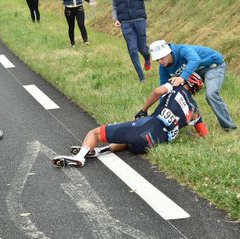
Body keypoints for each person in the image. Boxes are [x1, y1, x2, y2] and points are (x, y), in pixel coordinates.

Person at [52, 73, 208, 167]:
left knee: (94, 133)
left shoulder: (176, 85)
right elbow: (204, 134)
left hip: (148, 125)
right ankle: (100, 150)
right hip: (155, 142)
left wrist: (144, 109)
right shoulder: (195, 109)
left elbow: (158, 91)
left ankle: (79, 158)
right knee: (131, 139)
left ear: (185, 81)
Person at [149, 40, 237, 131]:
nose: (160, 61)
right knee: (178, 94)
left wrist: (182, 77)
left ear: (168, 52)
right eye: (157, 60)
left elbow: (195, 60)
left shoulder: (182, 50)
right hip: (195, 72)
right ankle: (192, 123)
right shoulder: (163, 68)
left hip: (213, 66)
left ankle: (229, 127)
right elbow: (164, 88)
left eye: (161, 58)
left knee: (211, 94)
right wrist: (162, 107)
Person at [112, 0, 151, 82]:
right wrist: (115, 19)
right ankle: (142, 78)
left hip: (140, 19)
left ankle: (147, 56)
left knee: (142, 48)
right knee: (132, 50)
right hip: (125, 23)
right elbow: (114, 7)